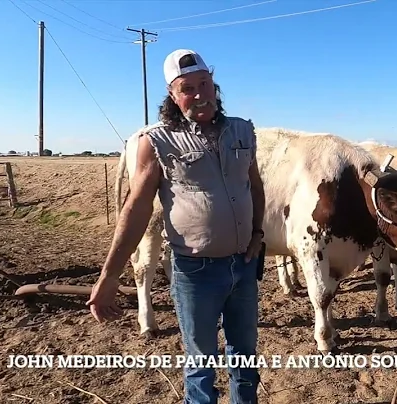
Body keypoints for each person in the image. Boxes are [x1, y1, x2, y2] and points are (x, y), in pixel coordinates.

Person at [87, 49, 266, 404]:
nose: (200, 95)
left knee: (245, 359)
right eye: (188, 88)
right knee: (201, 364)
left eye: (205, 84)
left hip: (244, 266)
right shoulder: (155, 142)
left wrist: (258, 233)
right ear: (173, 94)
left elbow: (255, 186)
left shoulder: (243, 131)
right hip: (196, 272)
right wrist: (109, 276)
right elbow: (136, 209)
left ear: (214, 85)